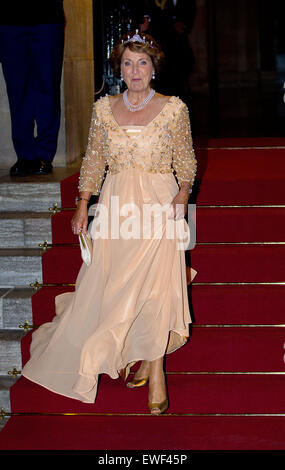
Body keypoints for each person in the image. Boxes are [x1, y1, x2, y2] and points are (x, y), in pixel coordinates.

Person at [22, 31, 197, 415]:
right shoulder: (104, 110)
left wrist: (183, 194)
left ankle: (156, 371)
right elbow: (93, 161)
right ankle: (138, 352)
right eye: (128, 63)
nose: (135, 71)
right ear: (119, 67)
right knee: (117, 285)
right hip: (116, 207)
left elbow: (185, 164)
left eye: (143, 63)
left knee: (156, 287)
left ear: (154, 68)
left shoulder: (173, 109)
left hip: (158, 207)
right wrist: (82, 203)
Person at [0, 1, 65, 176]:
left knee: (48, 87)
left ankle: (44, 153)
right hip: (8, 20)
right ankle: (24, 154)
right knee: (17, 90)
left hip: (47, 18)